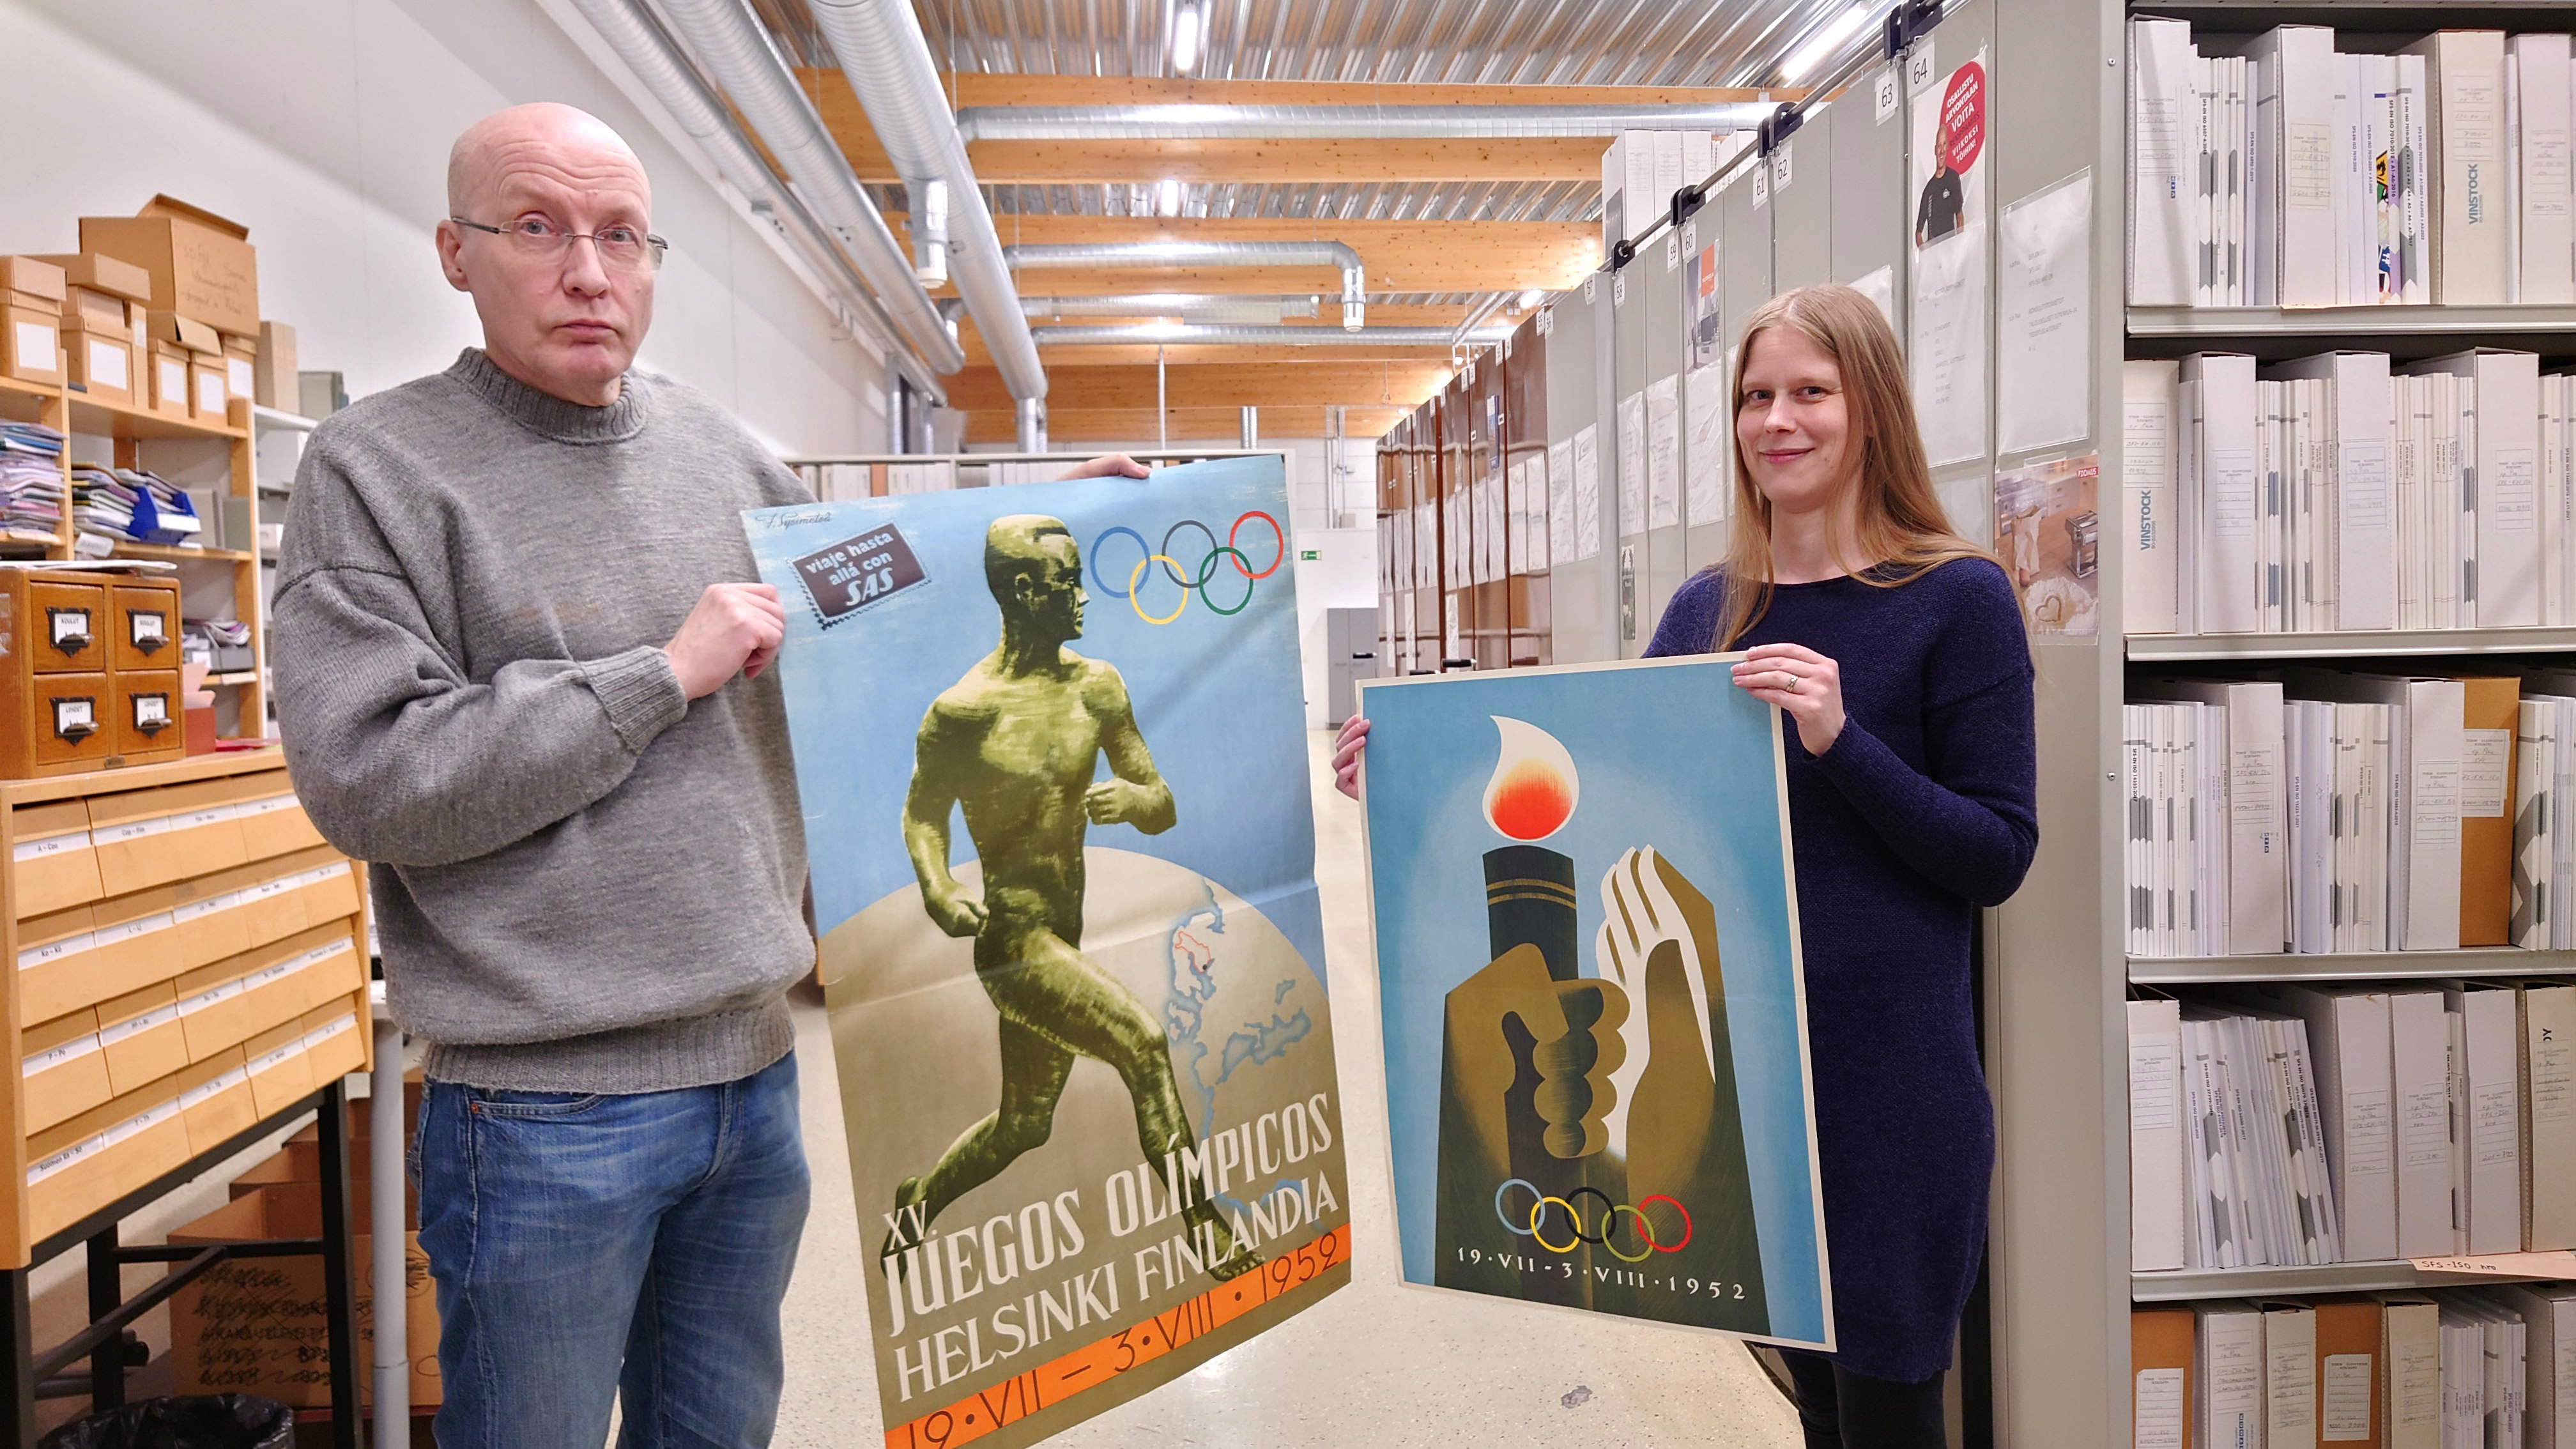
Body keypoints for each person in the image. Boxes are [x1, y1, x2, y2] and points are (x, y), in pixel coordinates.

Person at [271, 102, 1146, 1449]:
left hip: (754, 1078)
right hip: (543, 1110)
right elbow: (371, 778)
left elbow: (877, 631)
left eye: (623, 236)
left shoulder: (729, 458)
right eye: (538, 229)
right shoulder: (379, 470)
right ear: (456, 252)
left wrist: (1029, 530)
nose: (588, 272)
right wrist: (654, 677)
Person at [1332, 284, 2035, 1449]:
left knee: (1895, 1402)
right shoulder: (1710, 607)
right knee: (1813, 1403)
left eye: (1811, 391)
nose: (1779, 420)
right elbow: (1601, 804)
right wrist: (1414, 783)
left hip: (1890, 1087)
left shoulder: (1956, 600)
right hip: (1747, 1078)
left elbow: (1997, 852)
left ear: (1872, 413)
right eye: (1757, 395)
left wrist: (1838, 739)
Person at [887, 516, 1252, 1277]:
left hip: (1067, 931)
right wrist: (938, 885)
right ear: (1024, 591)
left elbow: (1161, 799)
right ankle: (1205, 1224)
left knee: (1024, 1125)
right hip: (1013, 940)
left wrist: (1135, 799)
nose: (1084, 597)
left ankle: (917, 1198)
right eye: (1066, 583)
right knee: (1145, 1046)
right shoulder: (964, 710)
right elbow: (924, 814)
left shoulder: (1099, 687)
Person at [1914, 123, 1966, 247]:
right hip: (1934, 256)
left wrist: (1958, 245)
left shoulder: (1953, 178)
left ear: (1947, 146)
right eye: (1939, 146)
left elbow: (1960, 216)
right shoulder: (1929, 189)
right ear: (1935, 150)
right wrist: (1925, 250)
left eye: (1944, 144)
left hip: (1950, 250)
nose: (1941, 150)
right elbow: (1918, 233)